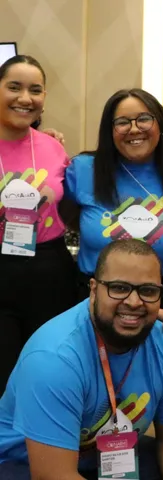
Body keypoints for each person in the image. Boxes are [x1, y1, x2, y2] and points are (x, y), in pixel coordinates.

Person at [0, 239, 163, 480]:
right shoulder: (54, 358)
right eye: (119, 288)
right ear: (93, 290)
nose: (134, 302)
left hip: (107, 457)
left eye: (148, 291)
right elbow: (53, 475)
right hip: (25, 463)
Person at [63, 88, 163, 313]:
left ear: (160, 125)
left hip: (160, 297)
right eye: (122, 122)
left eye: (144, 119)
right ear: (110, 131)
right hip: (95, 299)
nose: (134, 129)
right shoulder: (83, 169)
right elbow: (63, 218)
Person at [0, 55, 77, 395]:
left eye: (35, 90)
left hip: (49, 270)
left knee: (46, 371)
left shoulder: (53, 147)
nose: (25, 98)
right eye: (14, 87)